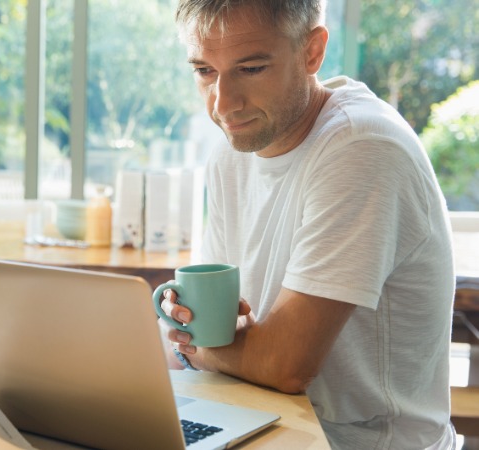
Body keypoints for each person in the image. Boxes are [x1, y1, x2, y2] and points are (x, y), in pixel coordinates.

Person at [159, 1, 457, 448]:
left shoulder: (362, 147)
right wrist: (192, 334)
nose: (223, 105)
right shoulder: (233, 151)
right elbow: (215, 332)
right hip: (263, 424)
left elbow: (285, 366)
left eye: (252, 68)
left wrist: (197, 348)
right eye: (204, 71)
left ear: (312, 52)